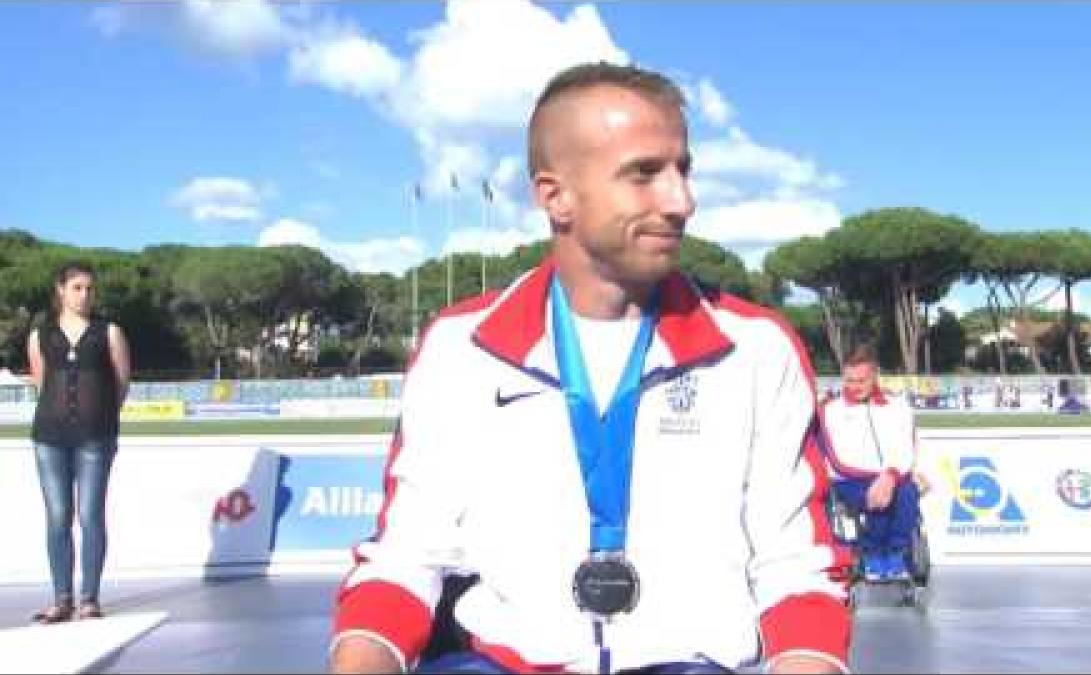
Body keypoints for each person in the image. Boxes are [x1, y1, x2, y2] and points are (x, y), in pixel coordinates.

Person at [329, 63, 850, 674]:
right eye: (644, 174)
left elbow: (799, 571)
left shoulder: (758, 349)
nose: (682, 200)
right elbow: (402, 561)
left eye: (683, 169)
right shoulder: (458, 347)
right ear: (556, 196)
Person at [26, 261, 130, 623]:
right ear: (61, 290)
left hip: (95, 439)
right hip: (50, 438)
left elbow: (121, 384)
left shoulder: (109, 332)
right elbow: (42, 384)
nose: (84, 295)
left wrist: (99, 417)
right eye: (77, 287)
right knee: (58, 517)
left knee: (90, 516)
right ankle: (61, 598)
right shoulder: (41, 334)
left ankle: (89, 598)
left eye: (89, 288)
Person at [821, 345, 920, 582]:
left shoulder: (898, 407)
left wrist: (890, 476)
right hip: (849, 479)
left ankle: (896, 552)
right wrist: (878, 480)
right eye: (849, 380)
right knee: (875, 498)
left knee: (907, 493)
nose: (854, 387)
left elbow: (906, 447)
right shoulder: (831, 410)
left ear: (874, 376)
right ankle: (872, 553)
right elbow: (838, 457)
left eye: (861, 381)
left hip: (894, 476)